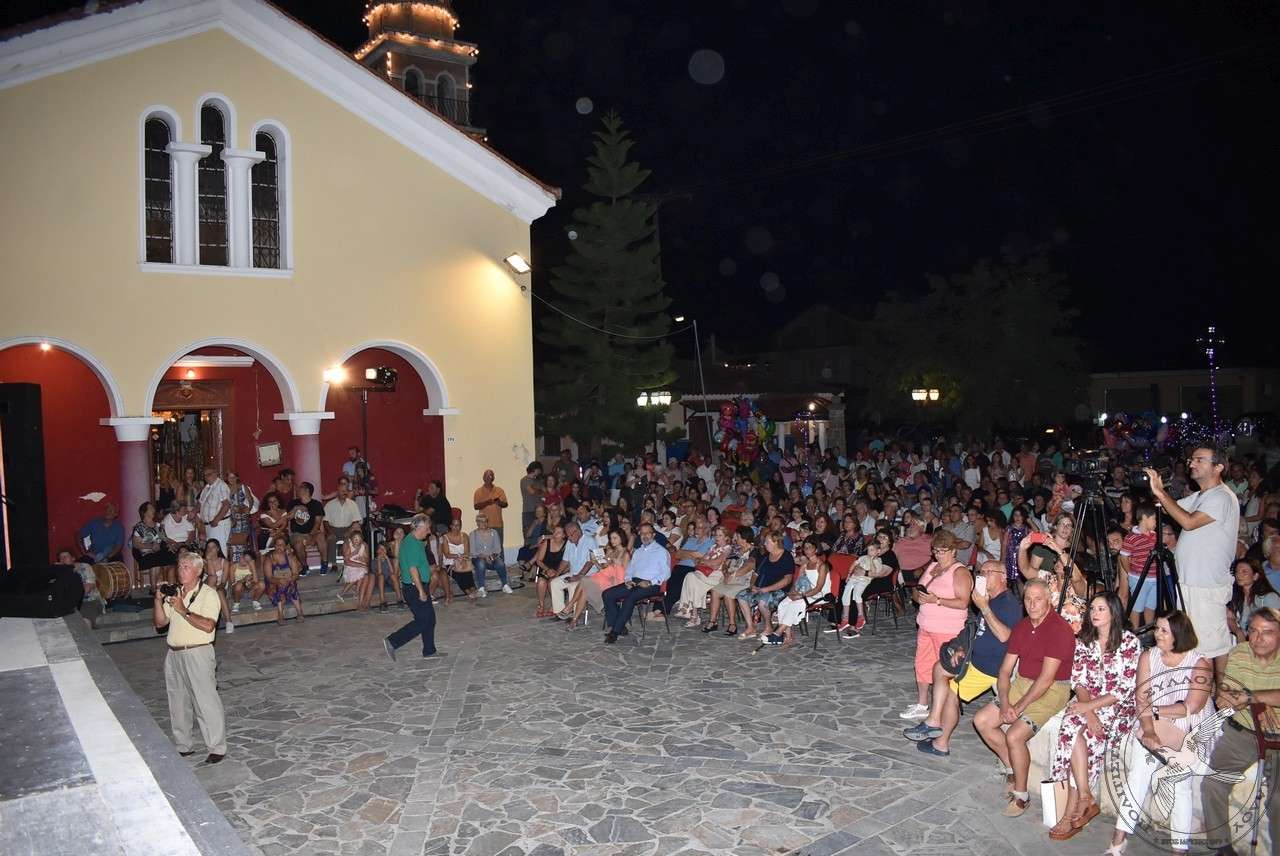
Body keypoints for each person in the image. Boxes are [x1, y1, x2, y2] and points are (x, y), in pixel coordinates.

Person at [1107, 611, 1214, 856]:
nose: (1157, 634)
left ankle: (1180, 849)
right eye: (1157, 629)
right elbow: (1141, 697)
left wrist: (1154, 711)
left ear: (1179, 635)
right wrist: (1148, 730)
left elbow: (1191, 706)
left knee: (1180, 786)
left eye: (1164, 631)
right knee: (1137, 775)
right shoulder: (1148, 656)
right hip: (1153, 723)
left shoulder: (1200, 663)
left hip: (1188, 728)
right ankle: (1118, 839)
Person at [973, 579, 1076, 818]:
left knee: (1014, 735)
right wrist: (1005, 702)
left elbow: (1046, 680)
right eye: (1028, 599)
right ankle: (1012, 768)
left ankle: (1022, 795)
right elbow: (1004, 671)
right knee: (981, 720)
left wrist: (1018, 708)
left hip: (1053, 689)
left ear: (1049, 600)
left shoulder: (1059, 629)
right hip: (1023, 683)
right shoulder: (1022, 626)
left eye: (1038, 599)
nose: (1032, 604)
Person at [1047, 592, 1141, 840]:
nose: (1094, 613)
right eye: (1092, 609)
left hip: (1118, 707)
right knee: (1069, 727)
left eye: (1101, 609)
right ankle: (1085, 795)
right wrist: (1088, 710)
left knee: (1085, 736)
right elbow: (1078, 681)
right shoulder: (1084, 641)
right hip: (1088, 701)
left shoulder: (1129, 642)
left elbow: (1124, 688)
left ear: (1113, 612)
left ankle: (1070, 811)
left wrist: (1089, 708)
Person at [906, 562, 1022, 757]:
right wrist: (963, 649)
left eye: (989, 572)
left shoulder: (1007, 603)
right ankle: (938, 734)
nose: (983, 576)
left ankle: (937, 731)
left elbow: (1004, 636)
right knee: (943, 675)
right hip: (976, 659)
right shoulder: (990, 599)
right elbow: (980, 631)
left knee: (946, 684)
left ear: (1003, 577)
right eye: (981, 572)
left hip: (990, 667)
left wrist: (984, 607)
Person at [1147, 448, 1240, 681]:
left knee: (1210, 646)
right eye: (1191, 459)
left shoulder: (1221, 497)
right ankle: (1198, 691)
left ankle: (1217, 693)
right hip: (1190, 583)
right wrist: (1158, 489)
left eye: (1200, 460)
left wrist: (1161, 493)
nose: (1192, 464)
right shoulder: (1200, 496)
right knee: (1193, 642)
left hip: (1205, 584)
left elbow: (1188, 522)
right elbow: (1169, 508)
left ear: (1218, 467)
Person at [1201, 607, 1280, 854]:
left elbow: (1242, 696)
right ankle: (1222, 847)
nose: (1258, 638)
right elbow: (1227, 695)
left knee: (1278, 800)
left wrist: (1252, 697)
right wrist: (1260, 702)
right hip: (1242, 732)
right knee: (1212, 784)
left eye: (1267, 632)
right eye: (1253, 631)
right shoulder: (1239, 653)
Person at [153, 552, 227, 763]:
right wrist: (158, 601)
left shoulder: (209, 594)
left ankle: (217, 747)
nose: (180, 570)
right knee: (177, 701)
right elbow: (160, 623)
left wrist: (183, 610)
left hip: (198, 652)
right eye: (179, 566)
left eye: (186, 567)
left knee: (205, 701)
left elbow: (209, 625)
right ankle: (183, 745)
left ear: (198, 571)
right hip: (174, 653)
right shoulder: (176, 593)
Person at [901, 530, 973, 720]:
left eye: (943, 551)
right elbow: (918, 589)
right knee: (922, 664)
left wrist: (937, 600)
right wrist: (919, 596)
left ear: (953, 550)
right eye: (936, 551)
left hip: (947, 629)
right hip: (925, 624)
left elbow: (963, 602)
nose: (938, 555)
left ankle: (943, 708)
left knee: (944, 668)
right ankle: (922, 704)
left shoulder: (960, 571)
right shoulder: (933, 566)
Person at [383, 516, 443, 660]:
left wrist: (428, 570)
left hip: (419, 586)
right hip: (415, 588)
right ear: (419, 528)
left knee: (430, 619)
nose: (429, 532)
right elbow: (412, 569)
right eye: (427, 528)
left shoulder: (415, 542)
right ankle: (392, 641)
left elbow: (416, 565)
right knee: (422, 621)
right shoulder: (411, 544)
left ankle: (429, 651)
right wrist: (421, 591)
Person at [601, 522, 671, 644]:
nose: (645, 536)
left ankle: (614, 632)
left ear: (653, 535)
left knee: (630, 598)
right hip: (634, 582)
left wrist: (650, 582)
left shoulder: (661, 551)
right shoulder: (638, 551)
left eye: (648, 533)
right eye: (642, 533)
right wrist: (628, 580)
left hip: (652, 584)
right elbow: (630, 570)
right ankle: (619, 625)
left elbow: (666, 573)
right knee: (607, 594)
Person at [766, 537, 832, 647]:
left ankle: (778, 633)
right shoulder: (805, 565)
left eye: (810, 547)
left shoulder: (822, 566)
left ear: (816, 549)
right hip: (806, 593)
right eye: (805, 548)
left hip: (820, 595)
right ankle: (788, 636)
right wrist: (792, 593)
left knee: (796, 604)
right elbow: (797, 583)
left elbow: (818, 588)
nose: (807, 550)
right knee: (783, 604)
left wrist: (800, 596)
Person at [562, 527, 630, 629]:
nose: (612, 540)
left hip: (615, 583)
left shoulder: (626, 554)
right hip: (602, 579)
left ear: (621, 538)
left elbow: (625, 574)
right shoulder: (611, 551)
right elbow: (603, 570)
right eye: (611, 538)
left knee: (584, 581)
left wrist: (616, 564)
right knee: (585, 590)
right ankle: (574, 620)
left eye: (615, 538)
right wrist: (595, 562)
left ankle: (570, 606)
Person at [734, 531, 795, 640]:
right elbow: (756, 574)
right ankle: (751, 627)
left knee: (763, 601)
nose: (764, 544)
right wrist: (752, 585)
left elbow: (787, 580)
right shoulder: (766, 556)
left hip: (780, 590)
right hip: (762, 588)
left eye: (767, 542)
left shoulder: (786, 556)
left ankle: (768, 627)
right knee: (741, 596)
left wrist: (766, 589)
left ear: (776, 542)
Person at [676, 524, 733, 629]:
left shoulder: (727, 548)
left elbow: (717, 563)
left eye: (720, 535)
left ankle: (690, 610)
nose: (717, 537)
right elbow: (699, 561)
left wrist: (706, 562)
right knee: (690, 576)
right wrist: (708, 562)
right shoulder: (713, 547)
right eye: (716, 535)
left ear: (726, 537)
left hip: (717, 576)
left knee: (692, 578)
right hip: (705, 573)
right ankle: (693, 613)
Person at [1116, 502, 1160, 629]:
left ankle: (1149, 629)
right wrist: (1130, 572)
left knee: (1151, 606)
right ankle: (1135, 630)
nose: (1156, 522)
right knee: (1137, 606)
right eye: (1154, 519)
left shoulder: (1155, 536)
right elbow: (1124, 556)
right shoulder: (1131, 537)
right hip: (1138, 577)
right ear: (1145, 517)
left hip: (1154, 577)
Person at [669, 519, 715, 619]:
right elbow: (678, 554)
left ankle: (665, 609)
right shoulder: (691, 540)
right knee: (671, 585)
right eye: (696, 528)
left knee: (678, 585)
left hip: (693, 568)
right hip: (680, 566)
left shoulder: (710, 542)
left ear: (707, 529)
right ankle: (666, 607)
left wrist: (686, 553)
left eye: (699, 528)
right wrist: (692, 554)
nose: (696, 530)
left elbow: (699, 556)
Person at [1227, 558, 1280, 643]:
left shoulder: (1269, 597)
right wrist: (1238, 632)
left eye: (1244, 572)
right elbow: (1230, 617)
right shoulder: (1236, 596)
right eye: (1237, 572)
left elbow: (1276, 624)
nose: (1239, 575)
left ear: (1255, 576)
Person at [547, 521, 592, 617]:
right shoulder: (570, 542)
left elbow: (590, 562)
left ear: (577, 532)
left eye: (570, 535)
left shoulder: (589, 541)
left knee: (573, 586)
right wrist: (557, 574)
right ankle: (559, 613)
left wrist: (579, 576)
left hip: (587, 576)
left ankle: (574, 614)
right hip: (572, 574)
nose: (569, 538)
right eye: (567, 536)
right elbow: (565, 560)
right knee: (554, 583)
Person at [131, 500, 173, 591]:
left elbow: (165, 539)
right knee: (155, 559)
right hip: (145, 553)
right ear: (145, 512)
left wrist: (172, 544)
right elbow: (136, 544)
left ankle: (171, 587)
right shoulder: (139, 527)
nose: (153, 509)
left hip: (159, 551)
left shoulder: (158, 526)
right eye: (151, 508)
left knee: (172, 558)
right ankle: (153, 588)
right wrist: (151, 546)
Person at [323, 478, 364, 570]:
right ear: (337, 491)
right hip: (334, 528)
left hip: (348, 528)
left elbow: (356, 520)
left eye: (345, 491)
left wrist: (349, 531)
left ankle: (350, 561)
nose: (344, 493)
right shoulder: (330, 504)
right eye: (342, 491)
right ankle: (334, 564)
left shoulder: (352, 504)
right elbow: (325, 521)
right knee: (331, 539)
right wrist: (330, 532)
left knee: (353, 536)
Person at [287, 482, 326, 576]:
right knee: (298, 544)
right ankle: (304, 566)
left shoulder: (316, 504)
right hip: (297, 534)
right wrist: (295, 509)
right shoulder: (293, 503)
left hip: (313, 532)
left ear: (307, 491)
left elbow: (318, 522)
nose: (298, 490)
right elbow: (288, 517)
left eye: (300, 488)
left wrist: (311, 535)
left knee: (321, 537)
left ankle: (324, 563)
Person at [59, 548, 103, 627]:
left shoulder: (84, 567)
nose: (63, 559)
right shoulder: (61, 571)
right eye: (61, 558)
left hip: (90, 601)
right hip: (72, 604)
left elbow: (87, 588)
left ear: (73, 558)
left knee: (85, 622)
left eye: (66, 556)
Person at [262, 539, 303, 625]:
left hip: (288, 581)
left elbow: (296, 574)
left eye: (282, 545)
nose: (279, 547)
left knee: (291, 585)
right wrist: (279, 581)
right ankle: (280, 615)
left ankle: (300, 613)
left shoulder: (290, 557)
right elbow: (269, 577)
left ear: (285, 546)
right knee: (280, 588)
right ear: (274, 546)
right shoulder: (269, 559)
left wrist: (290, 579)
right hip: (273, 584)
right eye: (277, 545)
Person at [531, 523, 569, 617]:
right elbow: (539, 560)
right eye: (554, 531)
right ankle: (541, 605)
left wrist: (558, 572)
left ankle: (554, 604)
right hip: (546, 568)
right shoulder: (547, 543)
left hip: (560, 570)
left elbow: (569, 563)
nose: (555, 534)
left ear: (564, 535)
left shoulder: (567, 545)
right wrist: (547, 569)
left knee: (552, 582)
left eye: (559, 532)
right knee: (541, 582)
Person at [470, 513, 511, 595]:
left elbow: (498, 549)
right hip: (478, 558)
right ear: (477, 523)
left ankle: (505, 585)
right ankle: (481, 588)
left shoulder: (494, 532)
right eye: (481, 521)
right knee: (481, 563)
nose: (483, 523)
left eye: (485, 521)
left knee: (500, 563)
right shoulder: (473, 534)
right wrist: (485, 557)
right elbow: (473, 552)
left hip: (492, 558)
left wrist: (491, 557)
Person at [197, 467, 232, 560]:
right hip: (209, 525)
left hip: (219, 524)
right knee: (210, 551)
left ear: (216, 474)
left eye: (209, 474)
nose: (207, 477)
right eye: (205, 475)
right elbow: (200, 503)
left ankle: (222, 568)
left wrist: (216, 519)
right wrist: (193, 512)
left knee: (219, 550)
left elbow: (226, 505)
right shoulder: (206, 487)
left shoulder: (221, 486)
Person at [203, 539, 235, 634]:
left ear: (218, 549)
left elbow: (223, 582)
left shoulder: (224, 562)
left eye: (213, 547)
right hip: (206, 588)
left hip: (220, 587)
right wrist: (208, 560)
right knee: (212, 580)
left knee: (219, 591)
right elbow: (209, 577)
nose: (210, 549)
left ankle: (228, 622)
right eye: (208, 547)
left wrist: (216, 588)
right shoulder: (203, 562)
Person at [338, 526, 373, 610]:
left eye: (359, 539)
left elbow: (366, 560)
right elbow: (346, 560)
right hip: (351, 568)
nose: (357, 540)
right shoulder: (348, 545)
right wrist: (354, 553)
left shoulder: (363, 545)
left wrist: (363, 559)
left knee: (365, 575)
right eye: (355, 538)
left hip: (361, 567)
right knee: (361, 576)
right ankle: (344, 593)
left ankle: (358, 595)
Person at [473, 469, 509, 545]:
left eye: (490, 476)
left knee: (499, 547)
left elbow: (505, 504)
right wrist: (487, 503)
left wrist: (498, 502)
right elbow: (476, 506)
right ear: (483, 478)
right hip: (483, 525)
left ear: (493, 478)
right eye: (486, 476)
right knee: (485, 546)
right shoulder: (478, 491)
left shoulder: (499, 490)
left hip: (498, 524)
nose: (489, 477)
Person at [228, 548, 264, 614]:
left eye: (248, 561)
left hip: (249, 590)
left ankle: (255, 601)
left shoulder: (250, 566)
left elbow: (256, 581)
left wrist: (253, 566)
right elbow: (232, 582)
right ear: (241, 556)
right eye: (244, 559)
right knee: (238, 586)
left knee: (262, 584)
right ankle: (236, 603)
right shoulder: (233, 566)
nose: (244, 562)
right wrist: (244, 579)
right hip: (237, 590)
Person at [519, 461, 545, 536]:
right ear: (535, 469)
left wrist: (537, 490)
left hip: (540, 511)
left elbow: (545, 492)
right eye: (539, 470)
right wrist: (539, 491)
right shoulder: (525, 480)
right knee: (528, 533)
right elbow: (532, 491)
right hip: (529, 511)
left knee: (540, 533)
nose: (540, 472)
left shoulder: (538, 481)